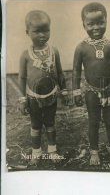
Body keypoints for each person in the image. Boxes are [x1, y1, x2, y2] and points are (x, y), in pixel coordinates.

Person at [72, 2, 110, 166]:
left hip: (109, 90)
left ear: (106, 21)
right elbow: (75, 72)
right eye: (91, 24)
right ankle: (94, 151)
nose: (96, 27)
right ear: (84, 25)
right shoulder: (81, 48)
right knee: (93, 121)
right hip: (91, 92)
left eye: (100, 22)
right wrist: (76, 92)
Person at [18, 10, 68, 164]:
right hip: (33, 97)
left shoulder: (54, 51)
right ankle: (36, 151)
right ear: (28, 32)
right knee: (35, 124)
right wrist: (22, 99)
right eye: (37, 31)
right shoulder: (26, 55)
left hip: (51, 96)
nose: (42, 35)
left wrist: (64, 90)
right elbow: (22, 77)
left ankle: (52, 150)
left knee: (50, 122)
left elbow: (59, 72)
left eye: (46, 30)